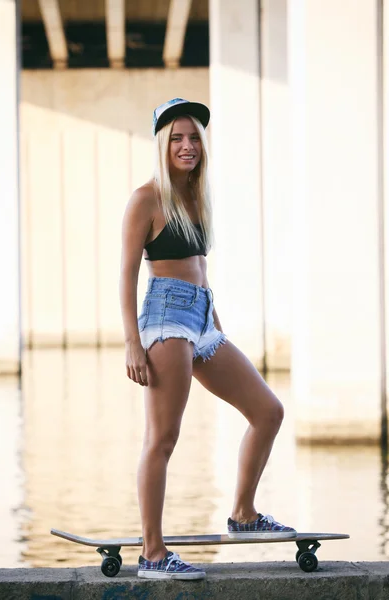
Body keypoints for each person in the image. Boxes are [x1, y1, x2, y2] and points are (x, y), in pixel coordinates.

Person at [119, 98, 296, 581]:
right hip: (164, 317)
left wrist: (214, 322)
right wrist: (133, 342)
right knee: (163, 438)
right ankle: (152, 555)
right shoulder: (146, 199)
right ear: (162, 144)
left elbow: (200, 265)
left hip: (201, 318)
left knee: (268, 412)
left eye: (193, 136)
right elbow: (127, 273)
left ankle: (243, 513)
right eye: (176, 138)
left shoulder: (198, 197)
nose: (187, 145)